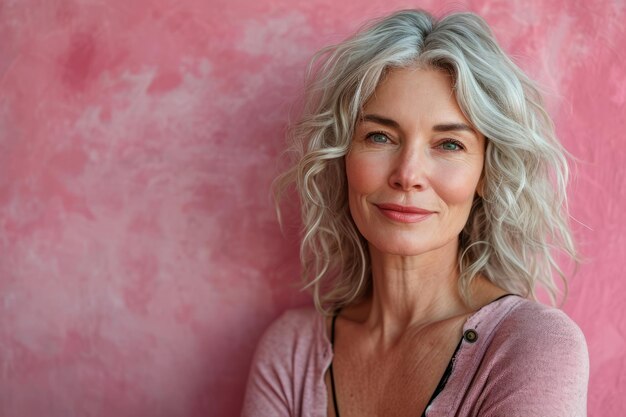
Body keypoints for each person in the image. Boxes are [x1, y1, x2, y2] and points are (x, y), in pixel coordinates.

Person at [241, 9, 589, 417]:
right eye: (380, 136)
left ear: (485, 173)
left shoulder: (529, 345)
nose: (407, 175)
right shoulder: (291, 353)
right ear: (342, 157)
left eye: (449, 144)